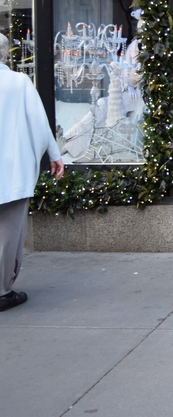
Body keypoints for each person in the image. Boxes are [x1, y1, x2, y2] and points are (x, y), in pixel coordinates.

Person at [0, 33, 64, 311]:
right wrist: (54, 155)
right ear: (5, 54)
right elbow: (39, 123)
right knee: (8, 233)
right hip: (11, 171)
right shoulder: (18, 82)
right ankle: (2, 290)